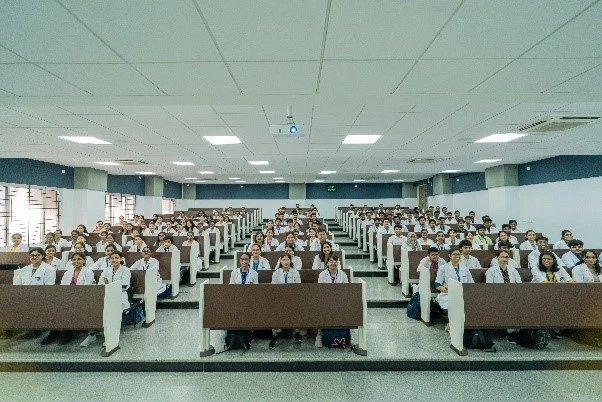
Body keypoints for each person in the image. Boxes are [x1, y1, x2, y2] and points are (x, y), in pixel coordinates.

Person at [41, 252, 96, 345]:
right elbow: (63, 286)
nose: (76, 261)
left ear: (84, 261)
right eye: (74, 260)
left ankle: (67, 333)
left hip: (83, 298)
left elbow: (86, 287)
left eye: (79, 259)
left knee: (67, 307)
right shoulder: (68, 272)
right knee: (53, 306)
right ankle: (54, 332)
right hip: (68, 297)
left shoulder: (88, 272)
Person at [269, 254, 303, 349]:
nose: (286, 262)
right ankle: (274, 336)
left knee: (296, 307)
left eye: (287, 259)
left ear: (290, 261)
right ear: (281, 261)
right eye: (283, 260)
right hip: (279, 299)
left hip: (293, 298)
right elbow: (273, 288)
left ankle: (297, 333)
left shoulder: (295, 272)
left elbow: (298, 287)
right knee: (275, 309)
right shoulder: (276, 273)